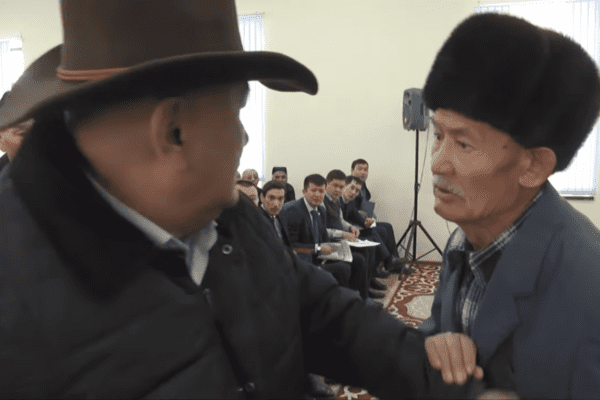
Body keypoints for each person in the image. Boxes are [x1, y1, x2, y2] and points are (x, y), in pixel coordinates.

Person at [0, 1, 487, 398]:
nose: (245, 136)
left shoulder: (229, 218)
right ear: (173, 131)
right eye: (237, 110)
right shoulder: (18, 303)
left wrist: (438, 378)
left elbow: (320, 313)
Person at [418, 12, 600, 399]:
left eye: (463, 144)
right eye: (438, 135)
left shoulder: (588, 280)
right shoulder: (463, 241)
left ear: (533, 166)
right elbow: (437, 333)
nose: (437, 163)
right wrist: (437, 345)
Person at [259, 179, 336, 399]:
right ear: (262, 198)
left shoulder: (280, 216)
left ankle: (324, 364)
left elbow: (288, 247)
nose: (276, 203)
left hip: (286, 273)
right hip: (268, 283)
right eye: (271, 198)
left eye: (280, 199)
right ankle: (307, 375)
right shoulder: (256, 221)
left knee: (324, 292)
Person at [281, 174, 370, 298]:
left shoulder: (321, 210)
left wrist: (338, 249)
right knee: (342, 268)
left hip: (320, 255)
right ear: (304, 192)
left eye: (321, 191)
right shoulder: (294, 211)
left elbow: (324, 237)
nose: (317, 195)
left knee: (358, 259)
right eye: (313, 190)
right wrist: (318, 248)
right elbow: (292, 246)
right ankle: (342, 303)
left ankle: (360, 299)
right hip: (304, 260)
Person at [324, 169, 385, 298]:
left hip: (338, 240)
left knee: (369, 248)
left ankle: (365, 289)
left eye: (340, 187)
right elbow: (322, 231)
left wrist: (350, 227)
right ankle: (360, 294)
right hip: (329, 244)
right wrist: (343, 234)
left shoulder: (335, 200)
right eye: (335, 186)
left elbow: (340, 220)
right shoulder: (322, 203)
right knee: (361, 255)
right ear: (327, 184)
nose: (338, 190)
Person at [349, 158, 410, 275]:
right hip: (353, 223)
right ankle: (385, 263)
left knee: (387, 226)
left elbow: (364, 206)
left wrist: (370, 216)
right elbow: (350, 209)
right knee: (380, 230)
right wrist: (362, 217)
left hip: (362, 220)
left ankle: (394, 264)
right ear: (352, 171)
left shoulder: (363, 185)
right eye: (360, 169)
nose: (363, 172)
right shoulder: (350, 185)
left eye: (366, 169)